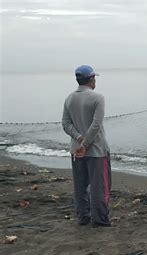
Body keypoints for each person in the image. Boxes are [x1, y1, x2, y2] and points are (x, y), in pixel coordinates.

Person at [62, 65, 111, 227]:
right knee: (99, 187)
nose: (95, 80)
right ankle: (99, 219)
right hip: (96, 150)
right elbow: (96, 125)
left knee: (80, 186)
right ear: (91, 79)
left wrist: (78, 138)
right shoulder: (98, 98)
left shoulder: (69, 98)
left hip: (76, 150)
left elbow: (65, 124)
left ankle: (83, 217)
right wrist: (86, 143)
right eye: (94, 78)